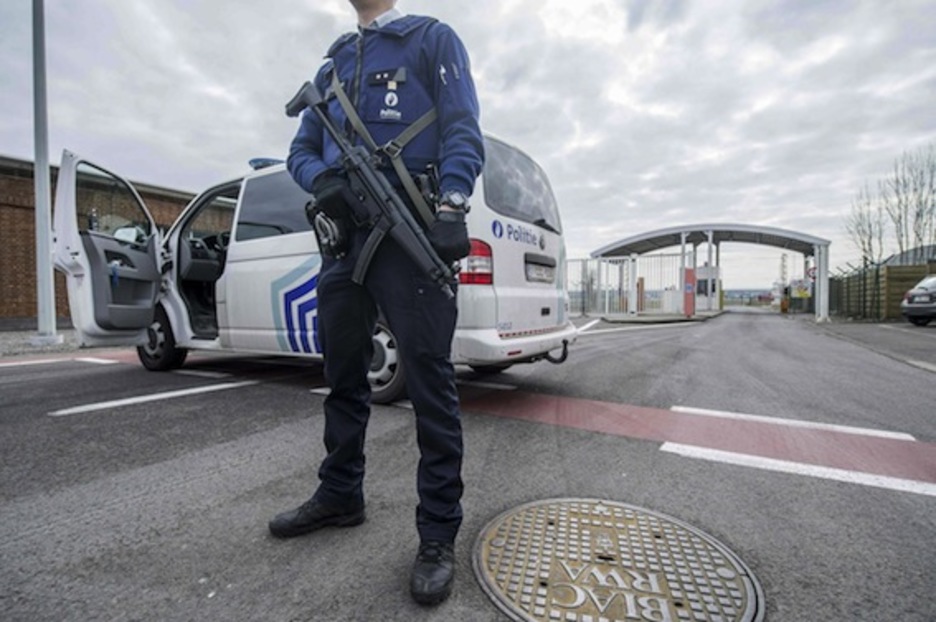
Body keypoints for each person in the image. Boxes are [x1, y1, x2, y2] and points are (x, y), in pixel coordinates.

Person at [270, 0, 484, 606]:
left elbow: (462, 126)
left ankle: (438, 534)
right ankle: (341, 494)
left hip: (410, 231)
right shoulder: (334, 64)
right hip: (346, 240)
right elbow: (299, 150)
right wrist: (323, 182)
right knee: (343, 373)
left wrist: (452, 204)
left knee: (429, 384)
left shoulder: (431, 40)